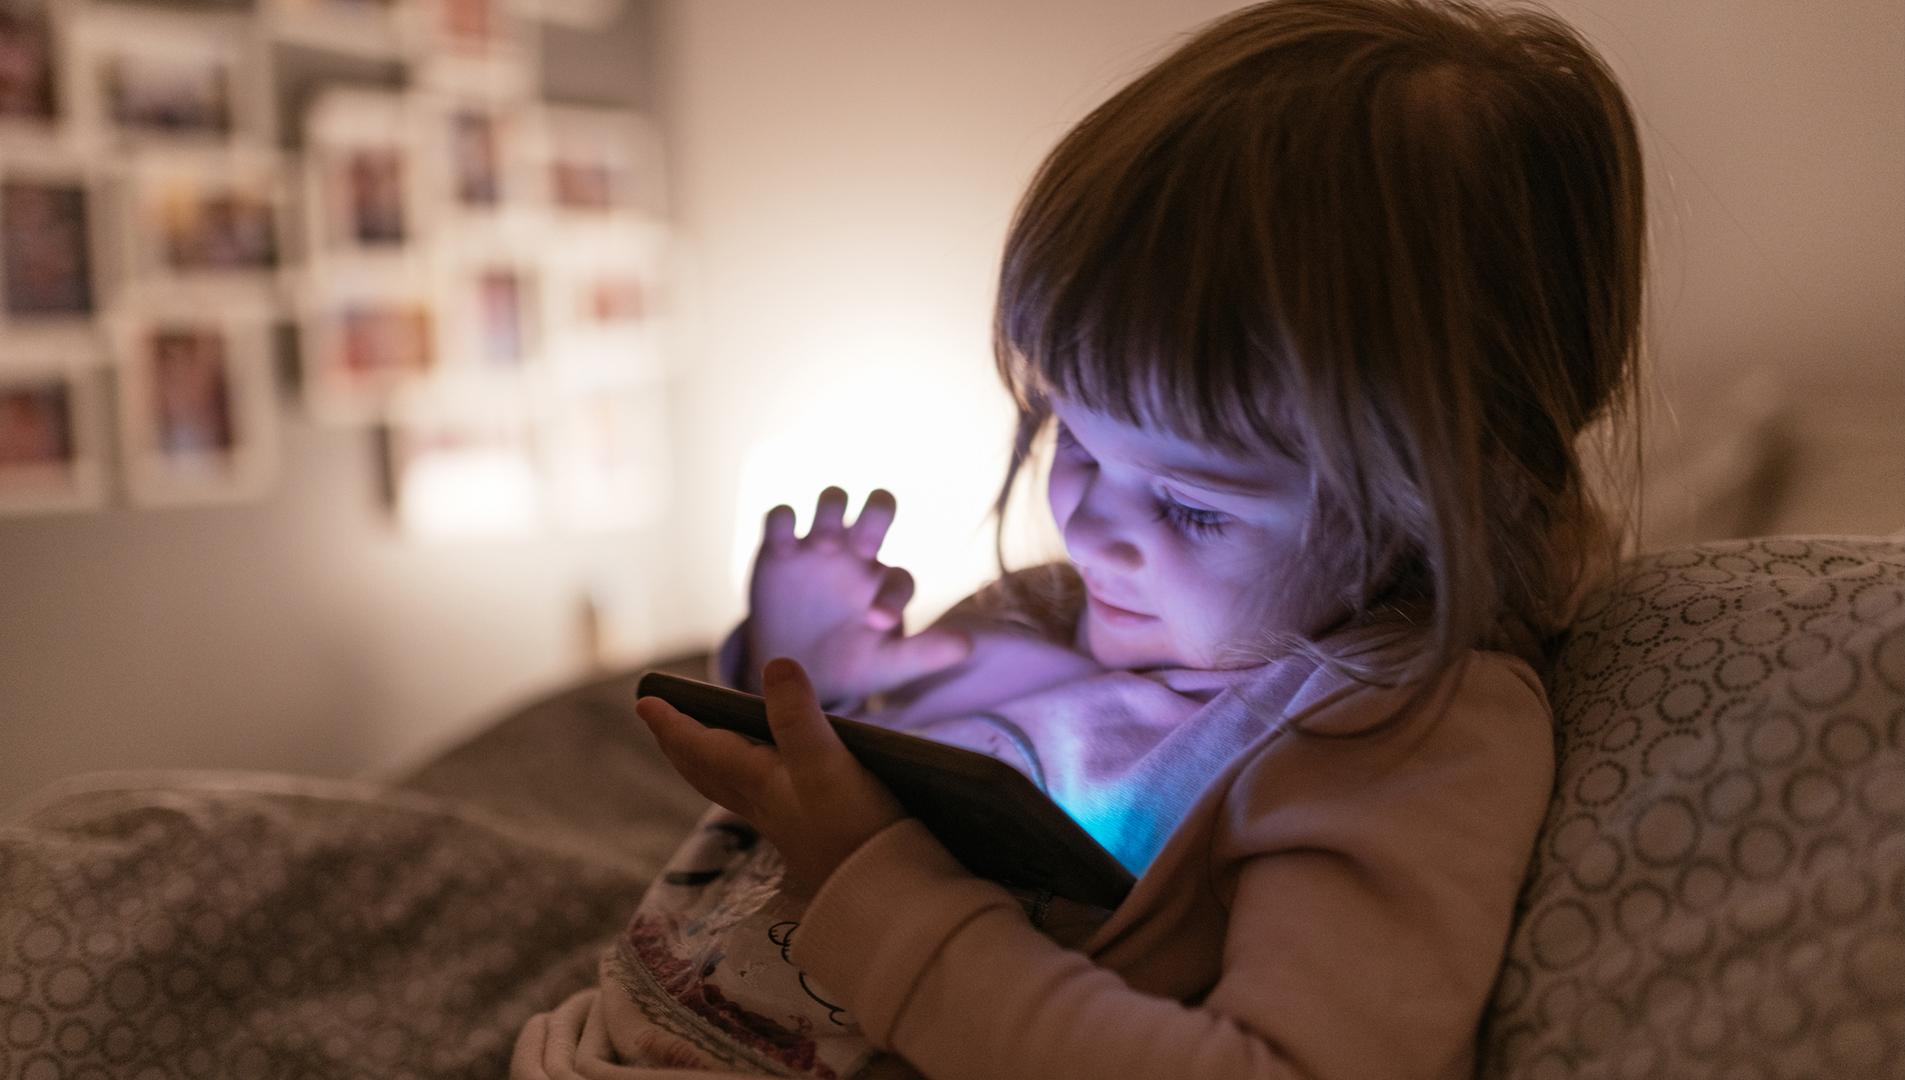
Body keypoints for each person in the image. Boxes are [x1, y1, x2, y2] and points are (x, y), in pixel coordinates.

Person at [513, 0, 1643, 1076]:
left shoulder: (1404, 735)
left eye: (1191, 504)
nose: (1091, 525)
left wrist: (871, 874)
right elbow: (842, 781)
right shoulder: (1047, 611)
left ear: (1456, 492)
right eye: (1073, 437)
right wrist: (797, 671)